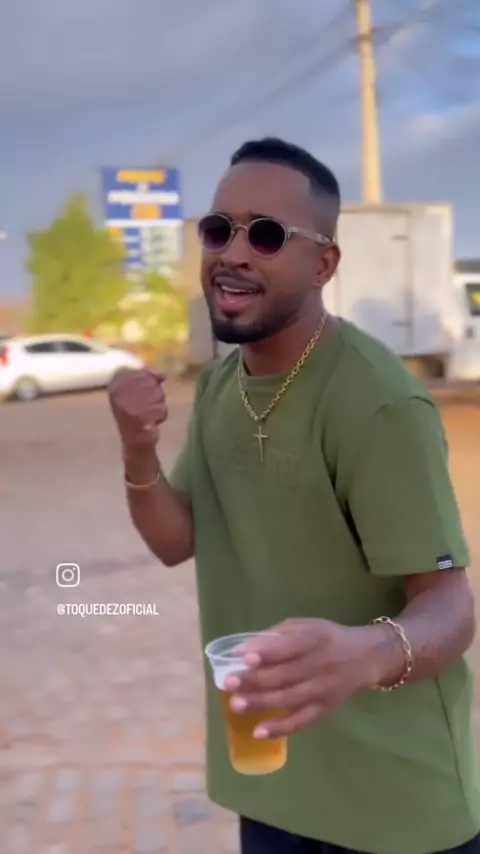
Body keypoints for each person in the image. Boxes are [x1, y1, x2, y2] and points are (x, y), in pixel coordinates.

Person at [108, 137, 480, 854]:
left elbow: (450, 608)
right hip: (273, 783)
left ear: (324, 265)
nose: (233, 253)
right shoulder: (220, 386)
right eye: (219, 229)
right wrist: (136, 448)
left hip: (395, 808)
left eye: (268, 235)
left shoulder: (376, 403)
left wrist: (366, 653)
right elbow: (174, 540)